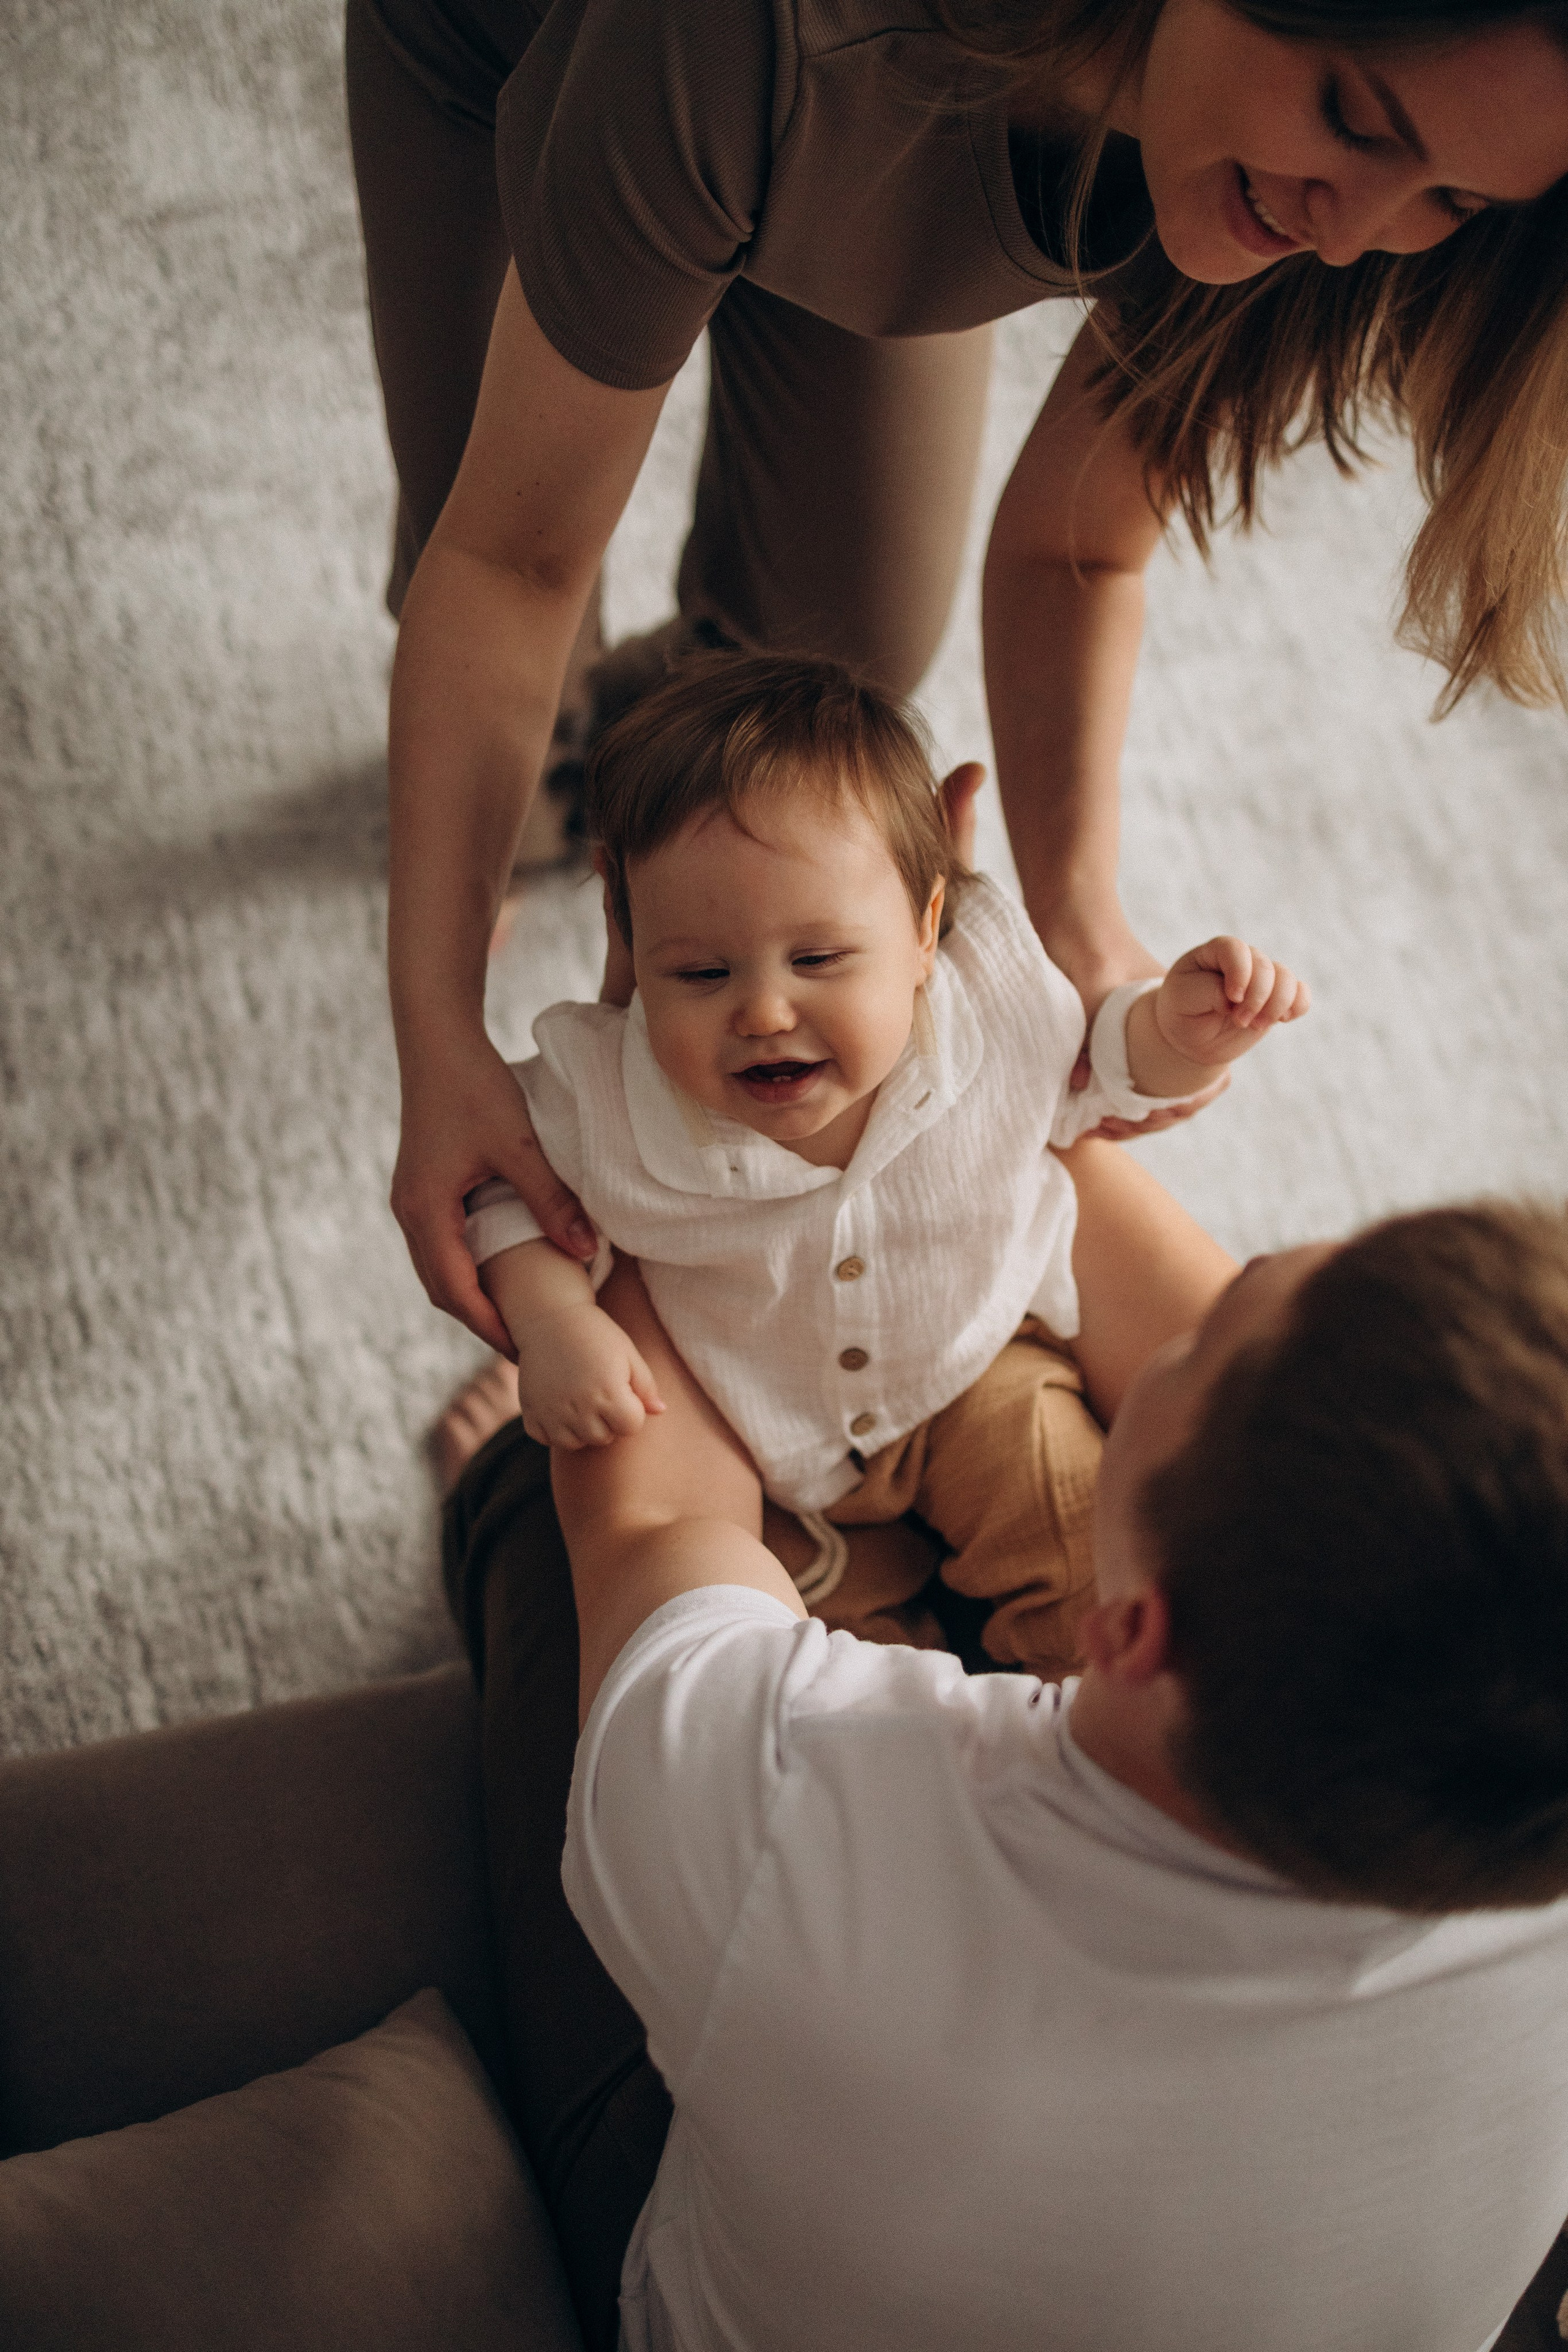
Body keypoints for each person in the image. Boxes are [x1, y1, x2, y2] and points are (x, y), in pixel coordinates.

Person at [345, 0, 1568, 1345]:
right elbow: (512, 562)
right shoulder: (762, 43)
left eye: (1449, 195)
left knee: (832, 678)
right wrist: (439, 1029)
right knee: (507, 704)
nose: (1346, 231)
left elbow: (1079, 549)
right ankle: (531, 819)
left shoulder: (1321, 202)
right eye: (1348, 117)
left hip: (889, 104)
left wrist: (1079, 913)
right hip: (538, 48)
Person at [442, 1141, 1568, 2352]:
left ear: (1135, 1635)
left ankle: (483, 1496)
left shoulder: (789, 1813)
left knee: (556, 1506)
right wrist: (1000, 1082)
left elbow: (655, 1519)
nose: (1189, 1311)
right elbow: (1299, 1459)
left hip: (702, 2218)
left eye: (1200, 1339)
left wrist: (648, 1155)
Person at [464, 650, 1306, 1670]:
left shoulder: (987, 1003)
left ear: (924, 935)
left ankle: (1083, 1752)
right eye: (700, 971)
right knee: (835, 1677)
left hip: (980, 1364)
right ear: (632, 947)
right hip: (765, 1446)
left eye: (818, 960)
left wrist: (1180, 1031)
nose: (765, 1012)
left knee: (1089, 1551)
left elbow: (1095, 1072)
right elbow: (506, 1183)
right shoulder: (605, 1091)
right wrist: (554, 1322)